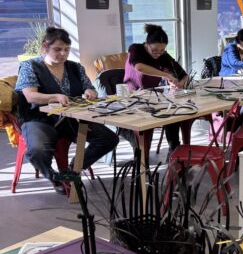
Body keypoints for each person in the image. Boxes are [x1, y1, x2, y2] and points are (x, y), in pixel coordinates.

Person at [15, 27, 119, 194]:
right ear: (44, 47)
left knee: (109, 139)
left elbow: (89, 87)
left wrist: (90, 92)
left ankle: (73, 169)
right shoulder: (30, 66)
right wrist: (54, 96)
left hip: (72, 118)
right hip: (40, 119)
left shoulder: (75, 67)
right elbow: (30, 96)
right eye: (57, 49)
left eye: (66, 50)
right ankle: (54, 177)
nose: (63, 54)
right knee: (37, 151)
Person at [124, 24, 189, 153]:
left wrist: (181, 81)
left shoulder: (162, 55)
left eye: (162, 50)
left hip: (153, 98)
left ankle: (175, 152)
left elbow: (182, 73)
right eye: (155, 50)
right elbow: (139, 67)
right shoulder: (135, 49)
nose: (158, 53)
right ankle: (143, 162)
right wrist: (166, 75)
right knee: (146, 129)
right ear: (147, 44)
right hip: (132, 99)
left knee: (172, 115)